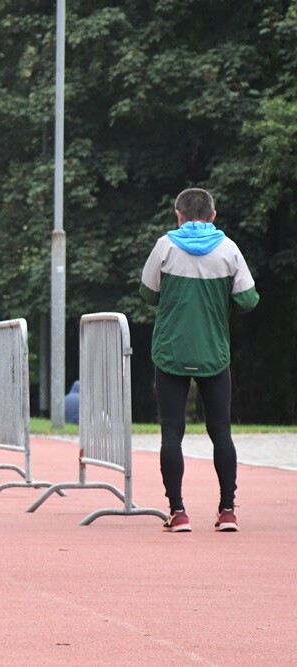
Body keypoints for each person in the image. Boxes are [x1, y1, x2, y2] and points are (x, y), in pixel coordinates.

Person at [140, 187, 259, 534]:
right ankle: (228, 511)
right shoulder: (229, 249)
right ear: (213, 215)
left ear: (178, 214)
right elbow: (248, 300)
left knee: (171, 431)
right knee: (220, 430)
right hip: (213, 353)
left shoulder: (165, 246)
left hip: (171, 352)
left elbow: (148, 293)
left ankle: (178, 512)